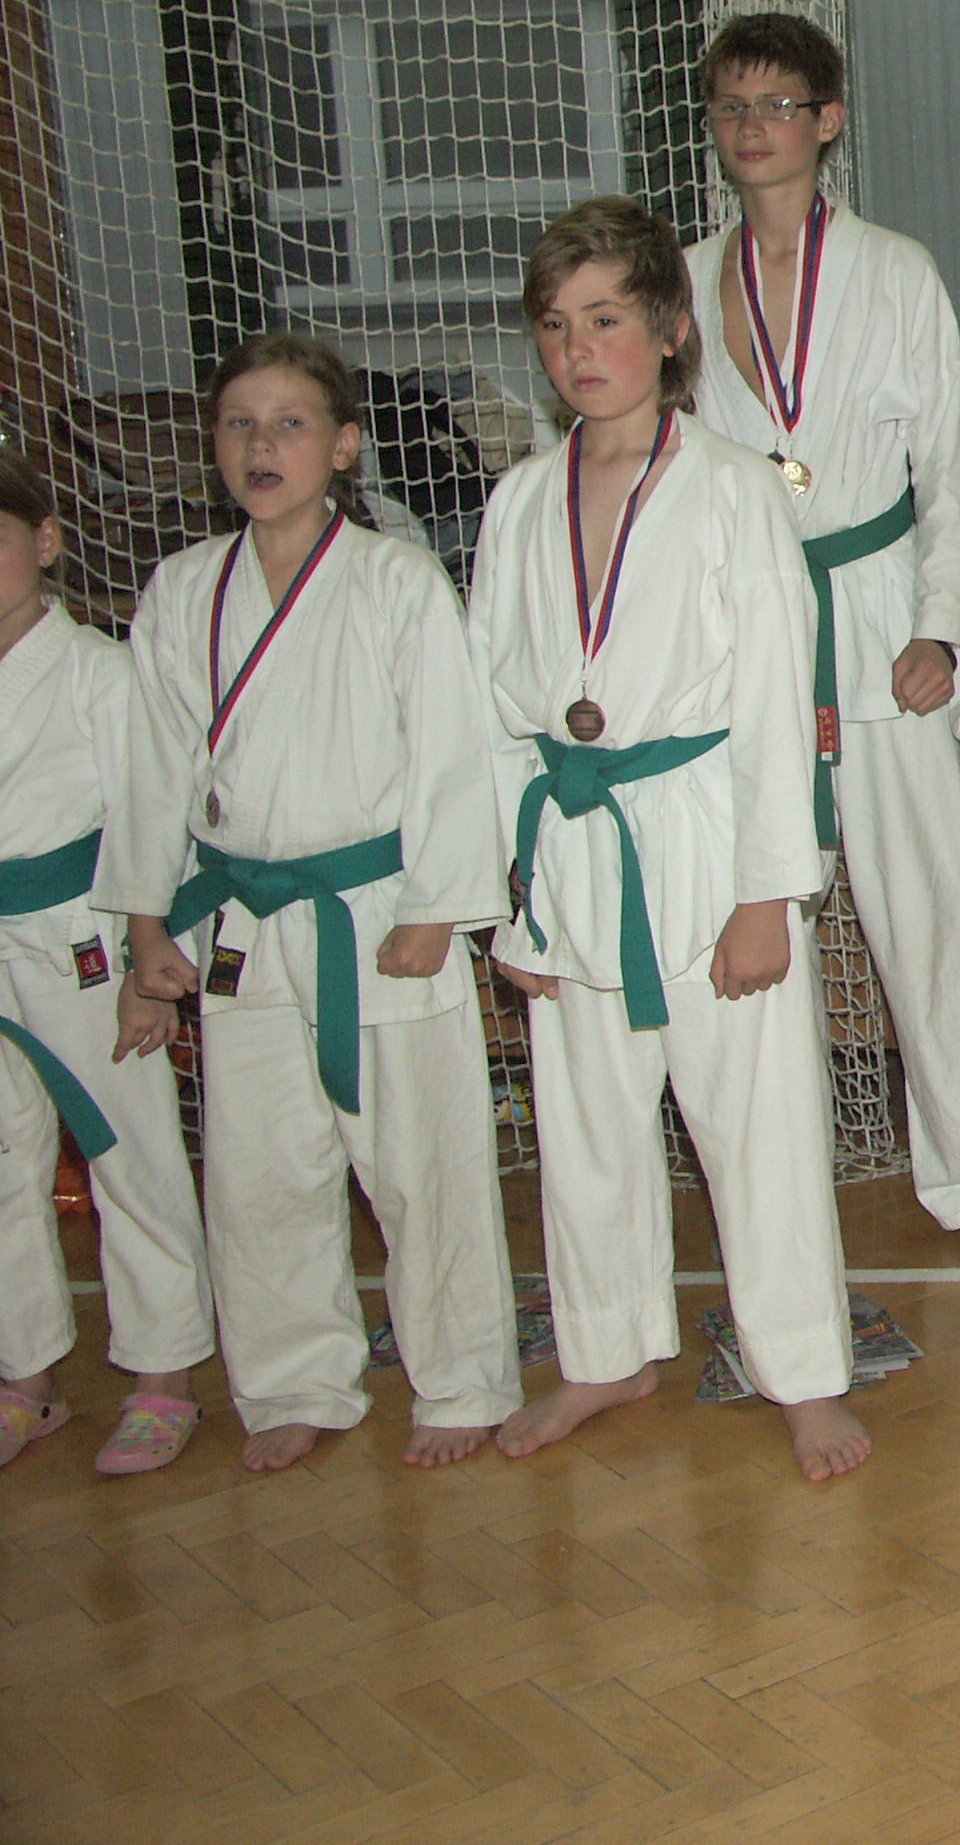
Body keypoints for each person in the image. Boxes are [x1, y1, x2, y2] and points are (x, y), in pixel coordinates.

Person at [475, 200, 869, 1482]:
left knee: (757, 1129)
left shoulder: (736, 489)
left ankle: (803, 1373)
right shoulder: (518, 503)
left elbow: (777, 697)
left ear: (668, 330)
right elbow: (491, 714)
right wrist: (513, 902)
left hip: (705, 841)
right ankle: (604, 1351)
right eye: (556, 327)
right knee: (586, 1124)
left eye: (606, 321)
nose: (579, 351)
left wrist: (771, 892)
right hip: (573, 844)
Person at [101, 335, 520, 1472]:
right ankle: (294, 1380)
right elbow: (153, 769)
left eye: (290, 423)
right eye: (240, 423)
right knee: (259, 1168)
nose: (262, 445)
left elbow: (450, 751)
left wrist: (440, 906)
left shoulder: (396, 580)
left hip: (377, 909)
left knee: (422, 1162)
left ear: (342, 448)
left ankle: (461, 1379)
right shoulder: (183, 588)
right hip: (242, 920)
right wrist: (146, 921)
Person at [682, 13, 960, 1273]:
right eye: (733, 107)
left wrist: (943, 627)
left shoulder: (894, 270)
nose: (753, 129)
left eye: (778, 105)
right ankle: (767, 1181)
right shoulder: (686, 280)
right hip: (748, 626)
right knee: (756, 899)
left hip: (882, 607)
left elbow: (945, 472)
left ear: (827, 121)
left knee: (925, 904)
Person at [0, 450, 214, 1476]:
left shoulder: (101, 672)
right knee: (4, 1157)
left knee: (127, 1150)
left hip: (82, 937)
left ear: (45, 542)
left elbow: (151, 822)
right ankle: (24, 1375)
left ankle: (165, 1372)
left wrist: (146, 964)